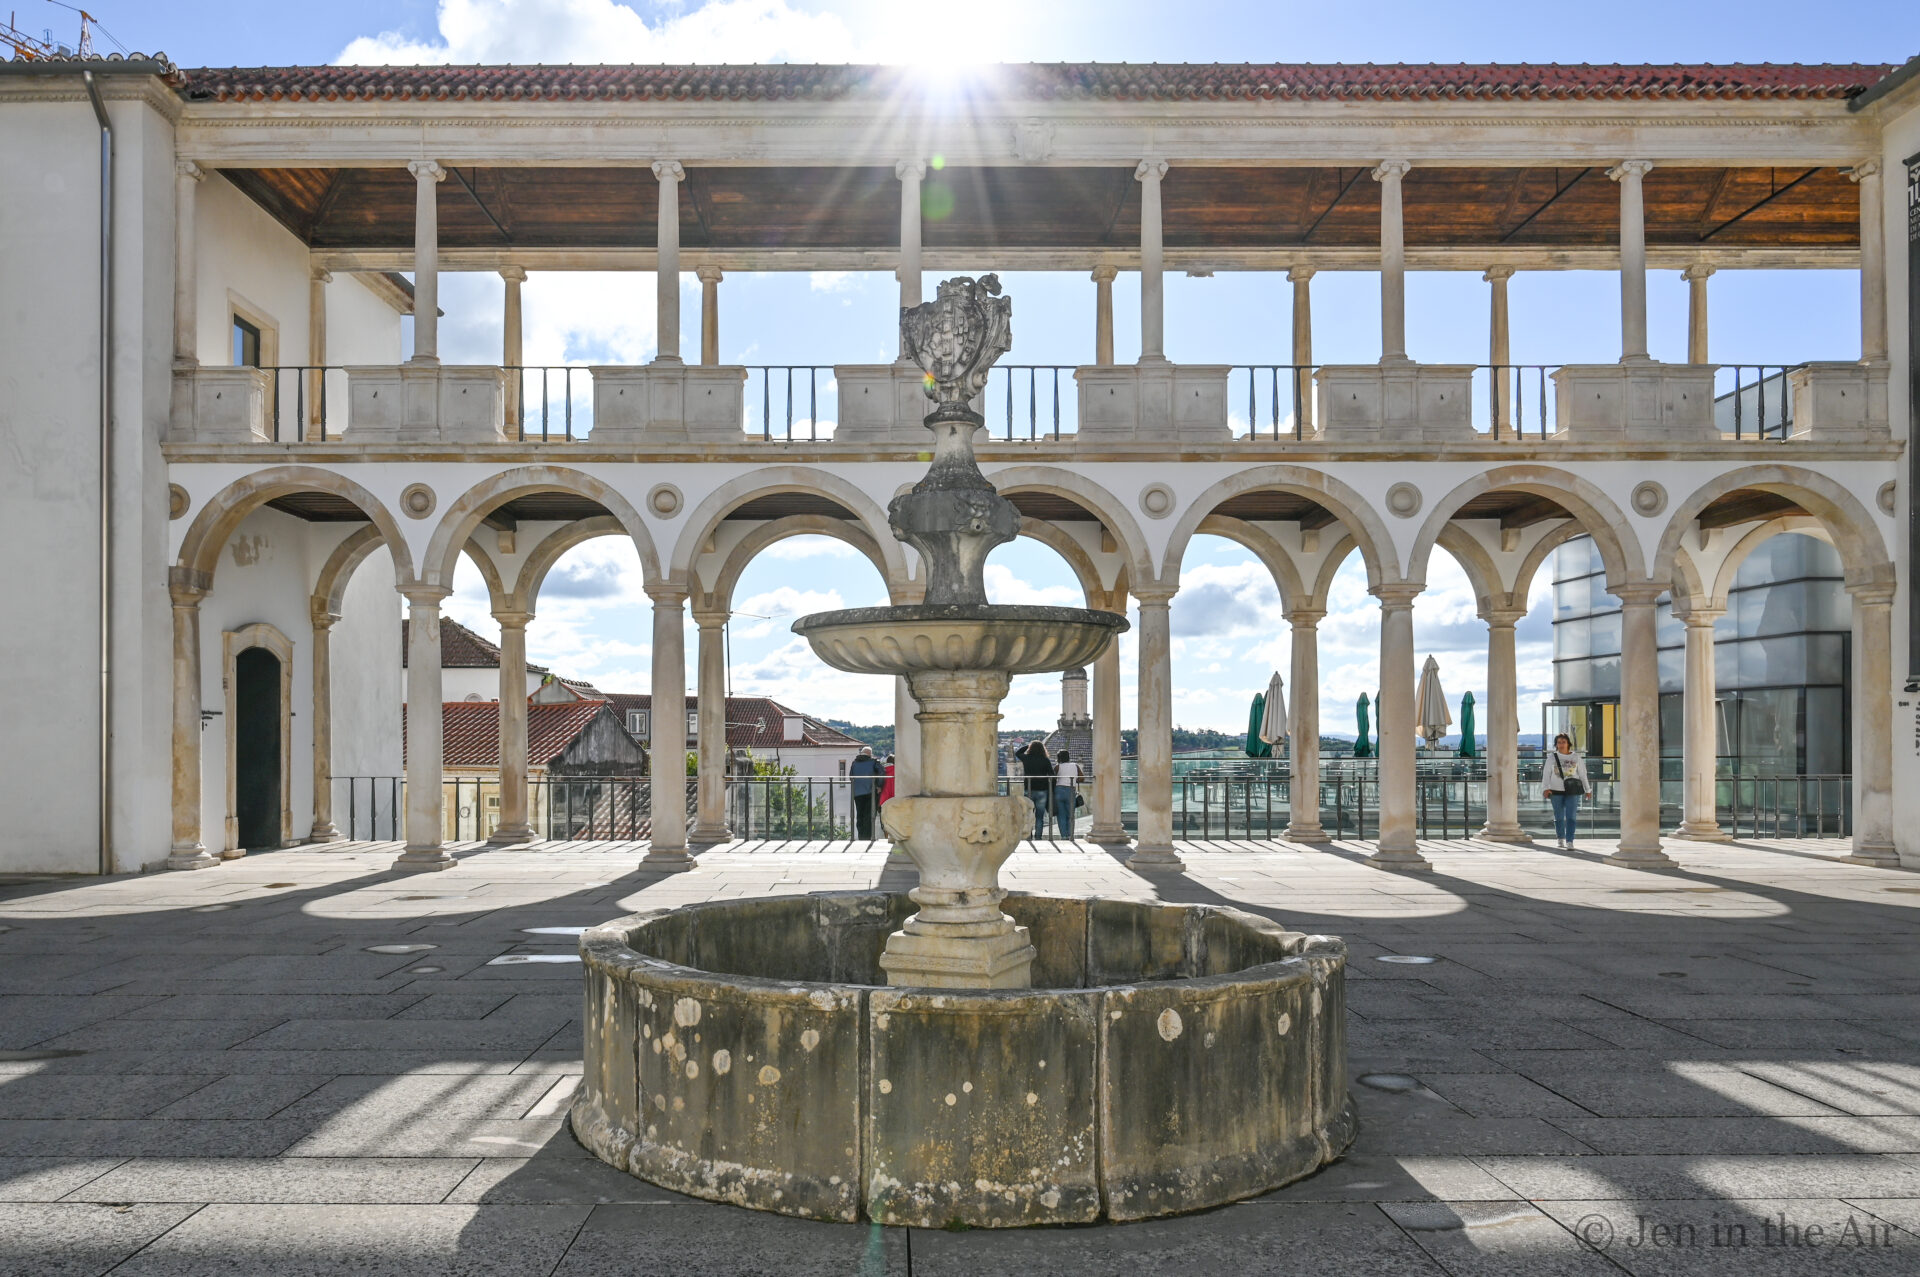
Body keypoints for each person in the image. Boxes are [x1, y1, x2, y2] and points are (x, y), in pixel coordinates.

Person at [1540, 732, 1589, 849]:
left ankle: (1570, 840)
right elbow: (1546, 774)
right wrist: (1545, 788)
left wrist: (1588, 789)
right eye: (1559, 742)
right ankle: (1560, 838)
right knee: (1559, 816)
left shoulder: (1576, 757)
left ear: (1568, 743)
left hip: (1572, 791)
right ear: (1556, 744)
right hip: (1555, 791)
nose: (1561, 744)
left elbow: (1583, 774)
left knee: (1571, 816)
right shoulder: (1552, 758)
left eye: (1563, 742)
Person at [1017, 739, 1054, 838]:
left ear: (1030, 749)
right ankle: (1038, 837)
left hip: (1028, 789)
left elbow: (1018, 753)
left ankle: (1028, 835)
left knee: (1028, 814)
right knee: (1039, 816)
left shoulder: (1027, 758)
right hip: (1042, 790)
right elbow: (1052, 774)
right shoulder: (1045, 760)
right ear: (1043, 749)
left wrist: (1027, 745)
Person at [849, 746, 883, 840]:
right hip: (870, 792)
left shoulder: (854, 763)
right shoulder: (873, 762)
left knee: (860, 815)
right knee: (869, 815)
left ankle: (861, 836)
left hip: (857, 793)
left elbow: (850, 776)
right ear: (870, 754)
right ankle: (868, 837)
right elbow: (881, 772)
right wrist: (879, 786)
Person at [1052, 748, 1082, 841]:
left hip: (1059, 790)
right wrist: (1073, 780)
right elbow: (1082, 778)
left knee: (1061, 815)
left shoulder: (1057, 767)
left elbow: (1052, 779)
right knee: (1070, 814)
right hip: (1070, 790)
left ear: (1058, 758)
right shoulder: (1075, 765)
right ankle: (1070, 835)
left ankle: (1063, 836)